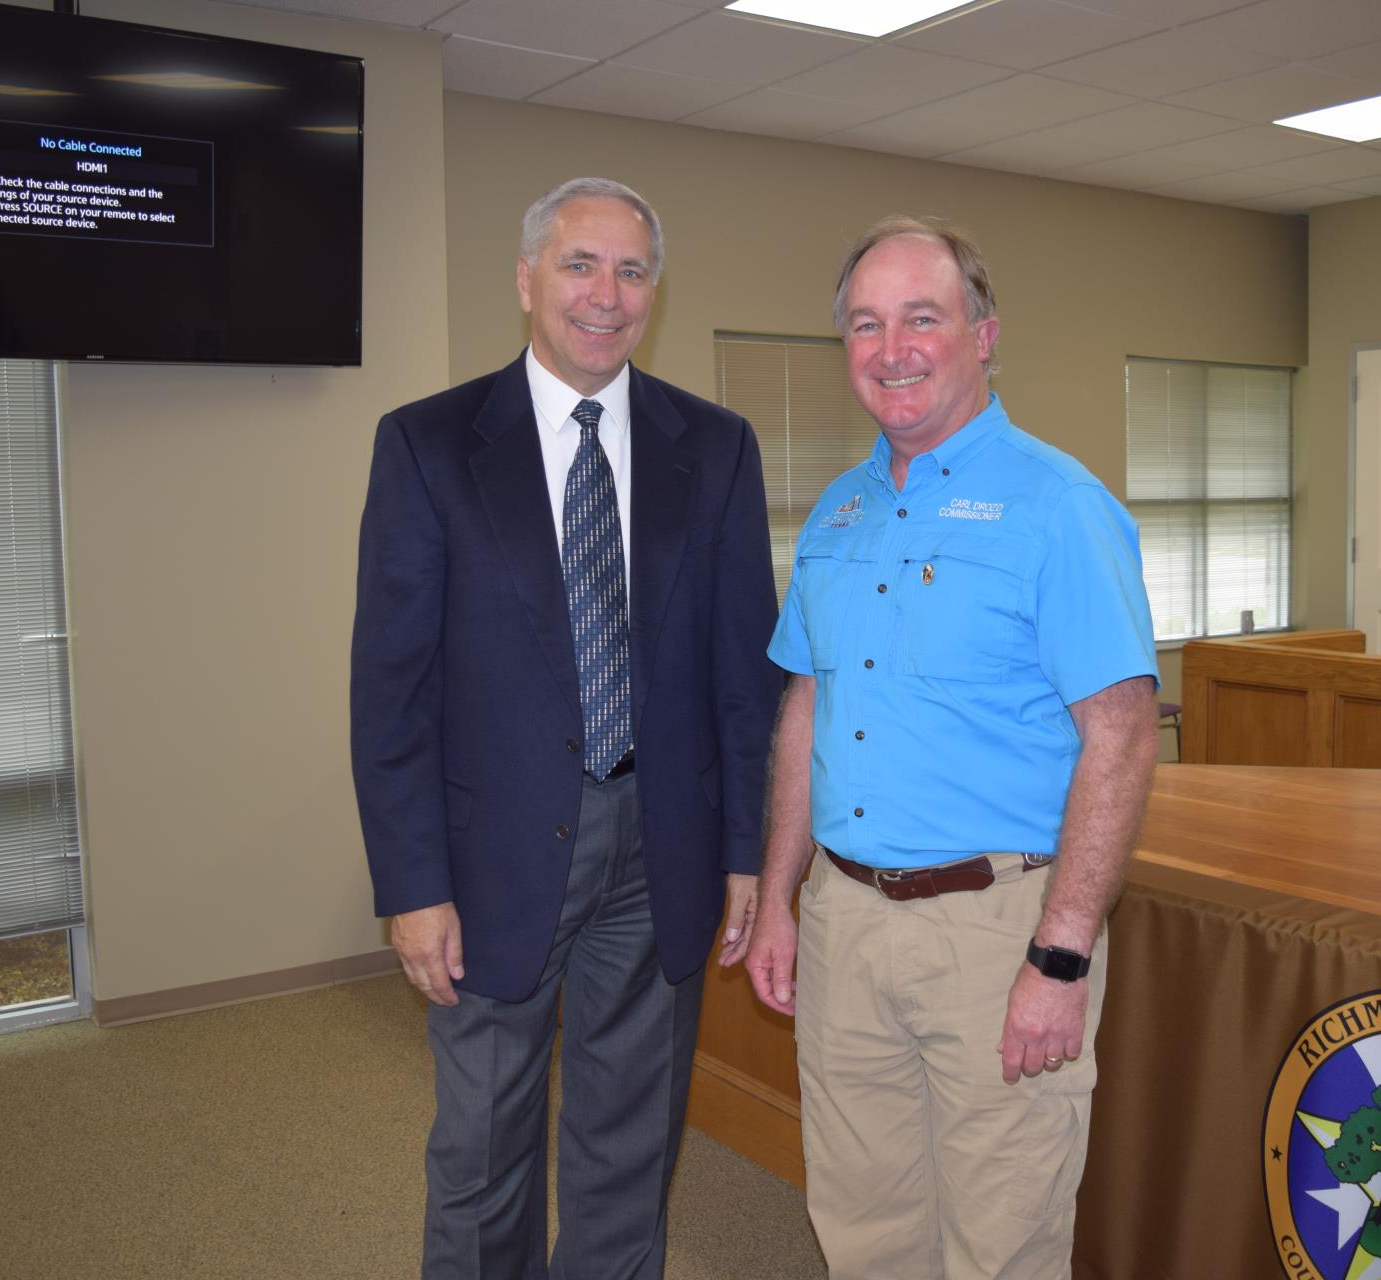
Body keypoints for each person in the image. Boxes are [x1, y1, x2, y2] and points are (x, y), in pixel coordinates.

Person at [350, 177, 781, 1279]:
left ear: (654, 290)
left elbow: (745, 674)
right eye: (580, 264)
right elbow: (390, 692)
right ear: (527, 278)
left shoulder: (717, 448)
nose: (606, 292)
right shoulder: (430, 445)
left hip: (660, 850)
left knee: (627, 1149)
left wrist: (745, 853)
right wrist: (410, 884)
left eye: (631, 269)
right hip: (490, 861)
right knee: (484, 1152)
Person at [736, 216, 1160, 1278]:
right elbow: (806, 708)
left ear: (984, 334)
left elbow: (1120, 734)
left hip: (998, 928)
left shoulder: (1059, 506)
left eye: (922, 317)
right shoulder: (837, 512)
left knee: (1001, 1242)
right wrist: (783, 893)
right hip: (845, 928)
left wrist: (1061, 955)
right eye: (867, 325)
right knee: (864, 1223)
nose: (893, 348)